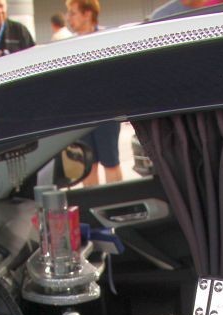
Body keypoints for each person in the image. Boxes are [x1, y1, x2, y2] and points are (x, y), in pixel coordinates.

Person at [66, 0, 122, 186]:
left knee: (111, 163)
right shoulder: (68, 46)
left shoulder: (107, 38)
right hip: (81, 114)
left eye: (73, 13)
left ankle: (119, 201)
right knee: (87, 166)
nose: (68, 18)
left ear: (87, 14)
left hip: (107, 111)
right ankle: (93, 203)